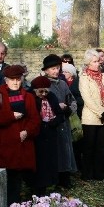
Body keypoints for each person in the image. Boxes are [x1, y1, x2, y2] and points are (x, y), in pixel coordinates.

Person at [0, 65, 40, 207]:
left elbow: (35, 119)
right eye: (12, 79)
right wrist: (10, 116)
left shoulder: (28, 97)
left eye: (18, 79)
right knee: (4, 179)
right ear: (6, 80)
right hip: (4, 145)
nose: (15, 82)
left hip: (23, 145)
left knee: (18, 180)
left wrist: (27, 131)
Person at [41, 54, 78, 188]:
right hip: (51, 124)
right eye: (52, 69)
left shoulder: (62, 84)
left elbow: (72, 100)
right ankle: (53, 178)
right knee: (53, 151)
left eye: (57, 68)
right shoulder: (43, 84)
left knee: (65, 149)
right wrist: (55, 107)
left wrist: (68, 108)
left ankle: (65, 178)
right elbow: (41, 103)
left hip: (64, 122)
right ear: (46, 70)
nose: (55, 71)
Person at [80, 49, 104, 181]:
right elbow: (87, 99)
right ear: (88, 63)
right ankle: (87, 173)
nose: (98, 63)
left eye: (98, 61)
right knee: (89, 147)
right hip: (90, 118)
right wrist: (101, 112)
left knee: (101, 147)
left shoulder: (103, 77)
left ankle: (99, 173)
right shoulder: (84, 78)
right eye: (94, 61)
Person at [28, 75, 63, 196]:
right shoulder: (31, 98)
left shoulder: (51, 97)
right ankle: (36, 188)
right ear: (35, 90)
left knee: (49, 162)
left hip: (50, 133)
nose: (43, 94)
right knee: (38, 163)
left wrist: (53, 122)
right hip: (37, 135)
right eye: (40, 91)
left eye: (45, 91)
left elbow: (59, 114)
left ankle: (47, 186)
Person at [62, 62, 83, 171]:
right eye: (63, 71)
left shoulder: (77, 83)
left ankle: (78, 165)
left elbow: (80, 98)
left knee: (77, 140)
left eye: (66, 72)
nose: (63, 73)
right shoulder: (62, 83)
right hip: (66, 114)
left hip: (76, 113)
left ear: (71, 73)